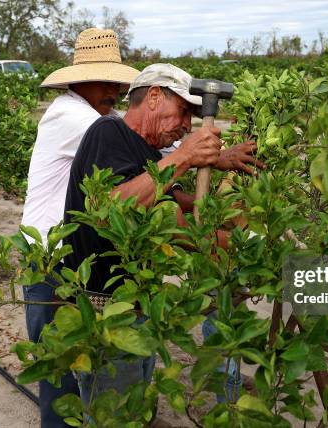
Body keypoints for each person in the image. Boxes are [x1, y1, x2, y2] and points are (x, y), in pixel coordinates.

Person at [62, 63, 264, 405]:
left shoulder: (146, 152)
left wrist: (222, 210)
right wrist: (184, 157)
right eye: (183, 111)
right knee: (115, 412)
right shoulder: (108, 131)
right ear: (154, 96)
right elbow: (115, 206)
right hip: (104, 315)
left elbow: (169, 202)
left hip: (138, 310)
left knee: (138, 405)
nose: (186, 125)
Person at [20, 28, 140, 428]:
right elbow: (139, 141)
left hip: (69, 258)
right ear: (79, 80)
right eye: (105, 81)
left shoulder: (98, 117)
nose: (114, 91)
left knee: (79, 360)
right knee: (59, 368)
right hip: (49, 260)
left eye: (117, 83)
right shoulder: (74, 117)